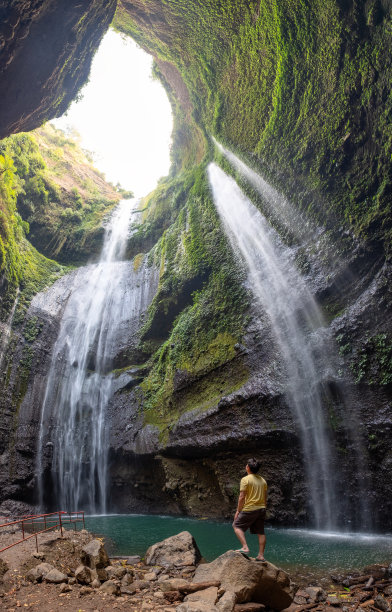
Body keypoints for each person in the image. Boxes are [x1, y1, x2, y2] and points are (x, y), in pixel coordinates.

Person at [232, 458, 267, 561]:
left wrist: (238, 510)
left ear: (247, 467)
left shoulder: (245, 480)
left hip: (249, 509)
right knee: (261, 532)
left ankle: (245, 547)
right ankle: (261, 555)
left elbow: (242, 497)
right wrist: (263, 508)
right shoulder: (263, 480)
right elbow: (265, 497)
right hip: (261, 509)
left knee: (236, 525)